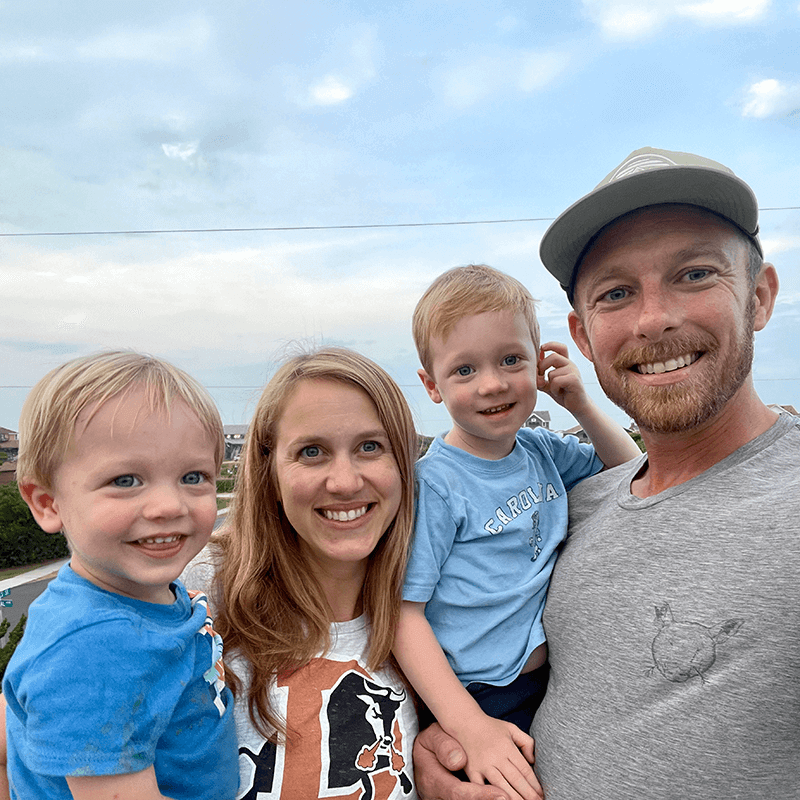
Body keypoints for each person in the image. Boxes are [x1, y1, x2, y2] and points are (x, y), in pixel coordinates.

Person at [413, 146, 800, 800]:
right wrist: (442, 743)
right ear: (583, 336)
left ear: (759, 297)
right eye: (617, 292)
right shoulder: (587, 501)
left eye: (695, 273)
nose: (654, 319)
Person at [394, 265, 640, 799]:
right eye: (464, 370)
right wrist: (468, 726)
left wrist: (580, 404)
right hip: (476, 694)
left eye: (511, 360)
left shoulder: (541, 451)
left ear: (539, 362)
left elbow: (633, 470)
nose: (493, 383)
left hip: (546, 682)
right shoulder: (435, 485)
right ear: (431, 386)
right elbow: (402, 613)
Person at [183, 346, 420, 800]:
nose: (346, 481)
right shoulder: (206, 586)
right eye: (312, 452)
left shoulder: (431, 597)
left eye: (370, 446)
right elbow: (23, 740)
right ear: (270, 473)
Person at [1, 351, 239, 800]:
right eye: (126, 481)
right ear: (47, 502)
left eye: (193, 476)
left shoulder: (136, 599)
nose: (169, 506)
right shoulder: (92, 648)